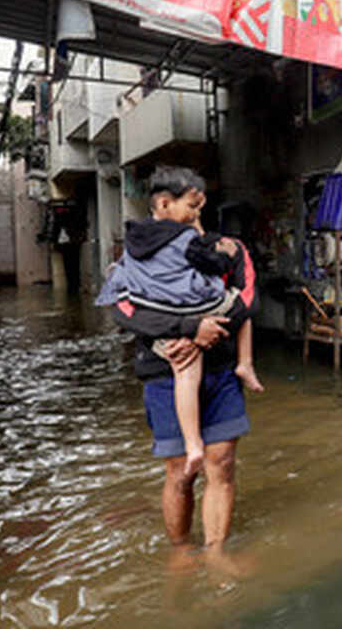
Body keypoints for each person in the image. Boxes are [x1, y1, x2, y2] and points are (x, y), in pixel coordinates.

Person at [102, 167, 258, 554]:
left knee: (221, 462)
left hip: (218, 367)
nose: (194, 214)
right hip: (164, 370)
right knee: (179, 472)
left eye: (198, 207)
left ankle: (217, 551)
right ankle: (180, 552)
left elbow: (247, 297)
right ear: (163, 204)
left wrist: (204, 335)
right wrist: (189, 327)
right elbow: (122, 310)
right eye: (191, 206)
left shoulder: (227, 248)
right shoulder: (135, 256)